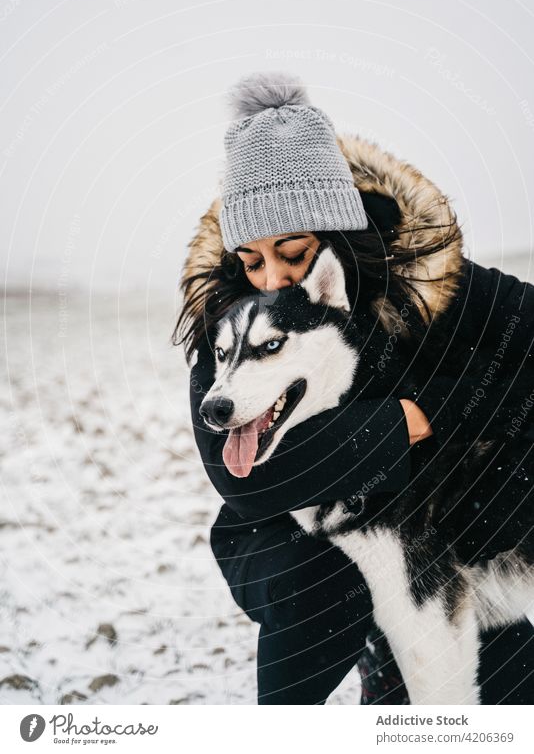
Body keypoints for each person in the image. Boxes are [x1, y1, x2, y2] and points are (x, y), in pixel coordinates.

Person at [173, 71, 534, 705]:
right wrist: (405, 423)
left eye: (292, 251)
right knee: (322, 582)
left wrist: (459, 422)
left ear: (339, 236)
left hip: (460, 526)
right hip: (292, 537)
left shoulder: (429, 287)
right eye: (252, 261)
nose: (272, 280)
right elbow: (249, 479)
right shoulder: (232, 318)